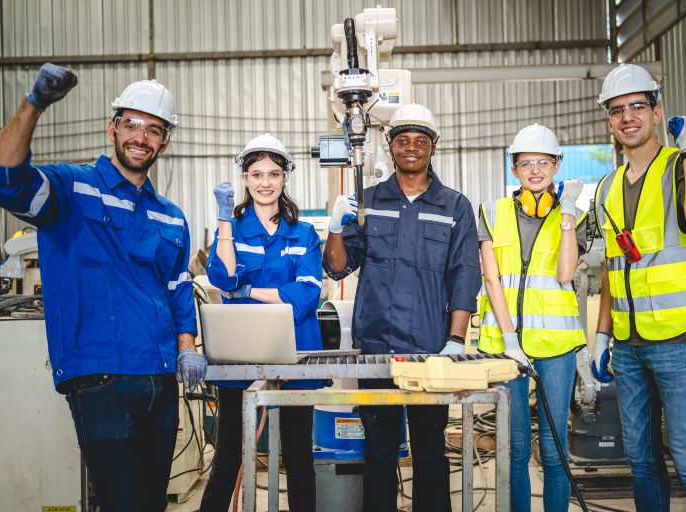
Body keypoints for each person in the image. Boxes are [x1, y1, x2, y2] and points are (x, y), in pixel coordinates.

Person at [0, 63, 206, 511]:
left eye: (153, 129)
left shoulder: (171, 216)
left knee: (152, 504)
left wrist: (187, 346)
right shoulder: (72, 190)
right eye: (131, 124)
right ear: (112, 128)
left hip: (159, 378)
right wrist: (34, 103)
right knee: (123, 503)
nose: (140, 137)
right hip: (101, 377)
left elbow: (177, 287)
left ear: (165, 141)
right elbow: (5, 178)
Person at [323, 103, 482, 512]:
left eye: (420, 141)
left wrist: (455, 340)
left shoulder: (454, 206)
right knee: (378, 452)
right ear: (391, 146)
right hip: (377, 349)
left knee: (430, 452)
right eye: (403, 140)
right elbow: (338, 267)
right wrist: (335, 228)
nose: (411, 147)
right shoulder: (369, 201)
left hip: (431, 349)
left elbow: (465, 275)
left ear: (433, 147)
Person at [590, 63, 686, 511]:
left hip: (679, 341)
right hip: (628, 346)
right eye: (617, 110)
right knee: (641, 461)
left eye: (637, 106)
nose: (627, 117)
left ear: (656, 113)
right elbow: (614, 268)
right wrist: (602, 335)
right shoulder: (607, 188)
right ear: (609, 121)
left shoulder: (680, 166)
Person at [200, 133, 324, 512]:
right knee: (228, 455)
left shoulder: (303, 233)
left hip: (296, 350)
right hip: (241, 350)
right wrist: (224, 221)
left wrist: (249, 290)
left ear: (285, 177)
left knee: (299, 456)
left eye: (273, 174)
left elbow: (305, 294)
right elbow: (223, 278)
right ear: (245, 178)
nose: (265, 182)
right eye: (256, 174)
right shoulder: (233, 229)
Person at [477, 123, 587, 512]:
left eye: (543, 162)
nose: (535, 170)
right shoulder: (492, 212)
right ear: (514, 169)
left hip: (556, 348)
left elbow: (565, 273)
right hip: (506, 347)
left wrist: (568, 212)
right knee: (516, 448)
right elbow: (491, 279)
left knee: (555, 450)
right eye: (526, 163)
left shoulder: (575, 216)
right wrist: (509, 339)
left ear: (557, 165)